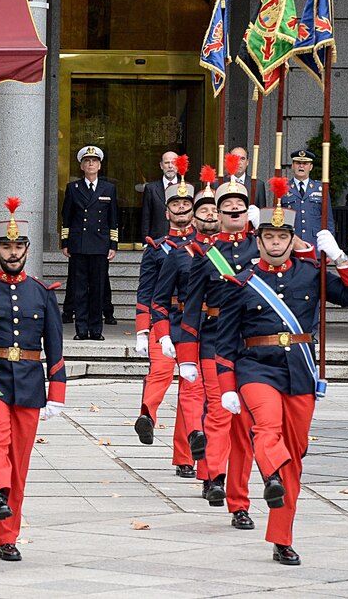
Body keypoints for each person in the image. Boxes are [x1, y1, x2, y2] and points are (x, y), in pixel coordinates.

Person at [215, 181, 348, 566]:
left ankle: (282, 537)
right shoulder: (242, 282)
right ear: (259, 240)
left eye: (283, 236)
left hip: (300, 370)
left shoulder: (309, 274)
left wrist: (340, 259)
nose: (276, 242)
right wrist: (226, 386)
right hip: (256, 369)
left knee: (295, 456)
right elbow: (225, 340)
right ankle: (269, 476)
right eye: (269, 236)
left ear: (291, 239)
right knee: (267, 429)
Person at [0, 198, 65, 562]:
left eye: (18, 246)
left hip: (29, 382)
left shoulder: (41, 293)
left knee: (20, 464)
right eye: (6, 246)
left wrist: (56, 392)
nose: (13, 253)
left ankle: (6, 538)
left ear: (27, 249)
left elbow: (55, 346)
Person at [177, 158, 263, 527]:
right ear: (219, 214)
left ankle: (239, 503)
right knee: (218, 413)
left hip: (254, 346)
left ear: (247, 213)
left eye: (239, 209)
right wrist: (186, 356)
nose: (232, 214)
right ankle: (213, 475)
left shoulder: (265, 249)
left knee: (244, 429)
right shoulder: (205, 254)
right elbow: (192, 306)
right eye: (226, 210)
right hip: (214, 340)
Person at [133, 163, 199, 478]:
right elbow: (146, 291)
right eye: (176, 205)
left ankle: (184, 457)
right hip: (165, 321)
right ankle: (147, 416)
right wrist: (142, 330)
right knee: (160, 371)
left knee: (190, 390)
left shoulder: (205, 246)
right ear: (168, 211)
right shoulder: (157, 248)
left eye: (187, 205)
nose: (182, 209)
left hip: (194, 323)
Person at [148, 168, 209, 480]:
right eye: (205, 211)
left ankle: (211, 464)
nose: (209, 217)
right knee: (191, 390)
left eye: (215, 211)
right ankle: (186, 456)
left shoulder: (236, 249)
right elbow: (156, 296)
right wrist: (155, 331)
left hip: (219, 330)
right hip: (186, 326)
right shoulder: (178, 251)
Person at [61, 145, 118, 340]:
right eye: (87, 161)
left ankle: (96, 330)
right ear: (82, 166)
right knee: (79, 290)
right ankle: (81, 330)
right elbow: (66, 217)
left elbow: (113, 218)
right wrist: (65, 242)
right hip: (79, 244)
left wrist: (113, 245)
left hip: (100, 245)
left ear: (100, 166)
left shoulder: (108, 188)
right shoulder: (73, 188)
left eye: (94, 161)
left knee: (98, 289)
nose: (90, 163)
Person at [282, 149, 334, 244]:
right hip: (291, 243)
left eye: (305, 163)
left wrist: (330, 245)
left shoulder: (321, 188)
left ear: (311, 167)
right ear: (292, 166)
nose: (301, 166)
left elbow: (328, 220)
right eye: (298, 163)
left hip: (315, 244)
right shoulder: (283, 187)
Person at [141, 151, 179, 240]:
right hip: (157, 240)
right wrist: (146, 242)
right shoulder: (151, 188)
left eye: (173, 162)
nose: (170, 166)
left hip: (181, 239)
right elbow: (146, 217)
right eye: (167, 163)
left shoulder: (186, 187)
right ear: (161, 165)